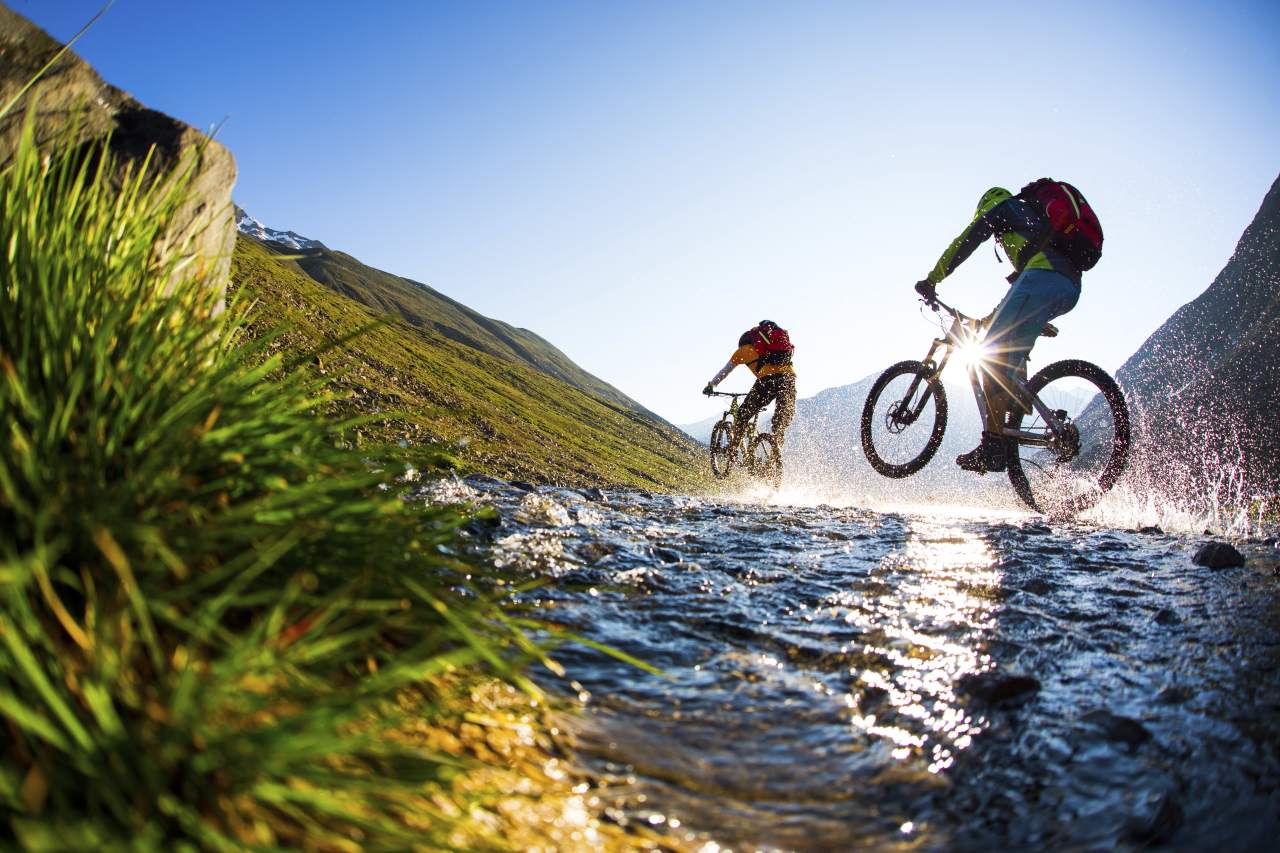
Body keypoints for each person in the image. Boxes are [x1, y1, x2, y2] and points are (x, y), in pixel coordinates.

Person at [914, 186, 1083, 473]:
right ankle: (1014, 412)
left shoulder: (1004, 210)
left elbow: (964, 242)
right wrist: (986, 321)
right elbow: (1016, 299)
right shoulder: (1033, 229)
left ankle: (993, 447)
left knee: (990, 358)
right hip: (1068, 286)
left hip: (1043, 280)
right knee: (1007, 348)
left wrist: (932, 280)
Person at [702, 320, 796, 453]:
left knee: (742, 415)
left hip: (767, 380)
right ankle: (776, 452)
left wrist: (711, 385)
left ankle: (732, 450)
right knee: (781, 419)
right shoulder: (772, 349)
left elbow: (725, 371)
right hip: (789, 378)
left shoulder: (743, 351)